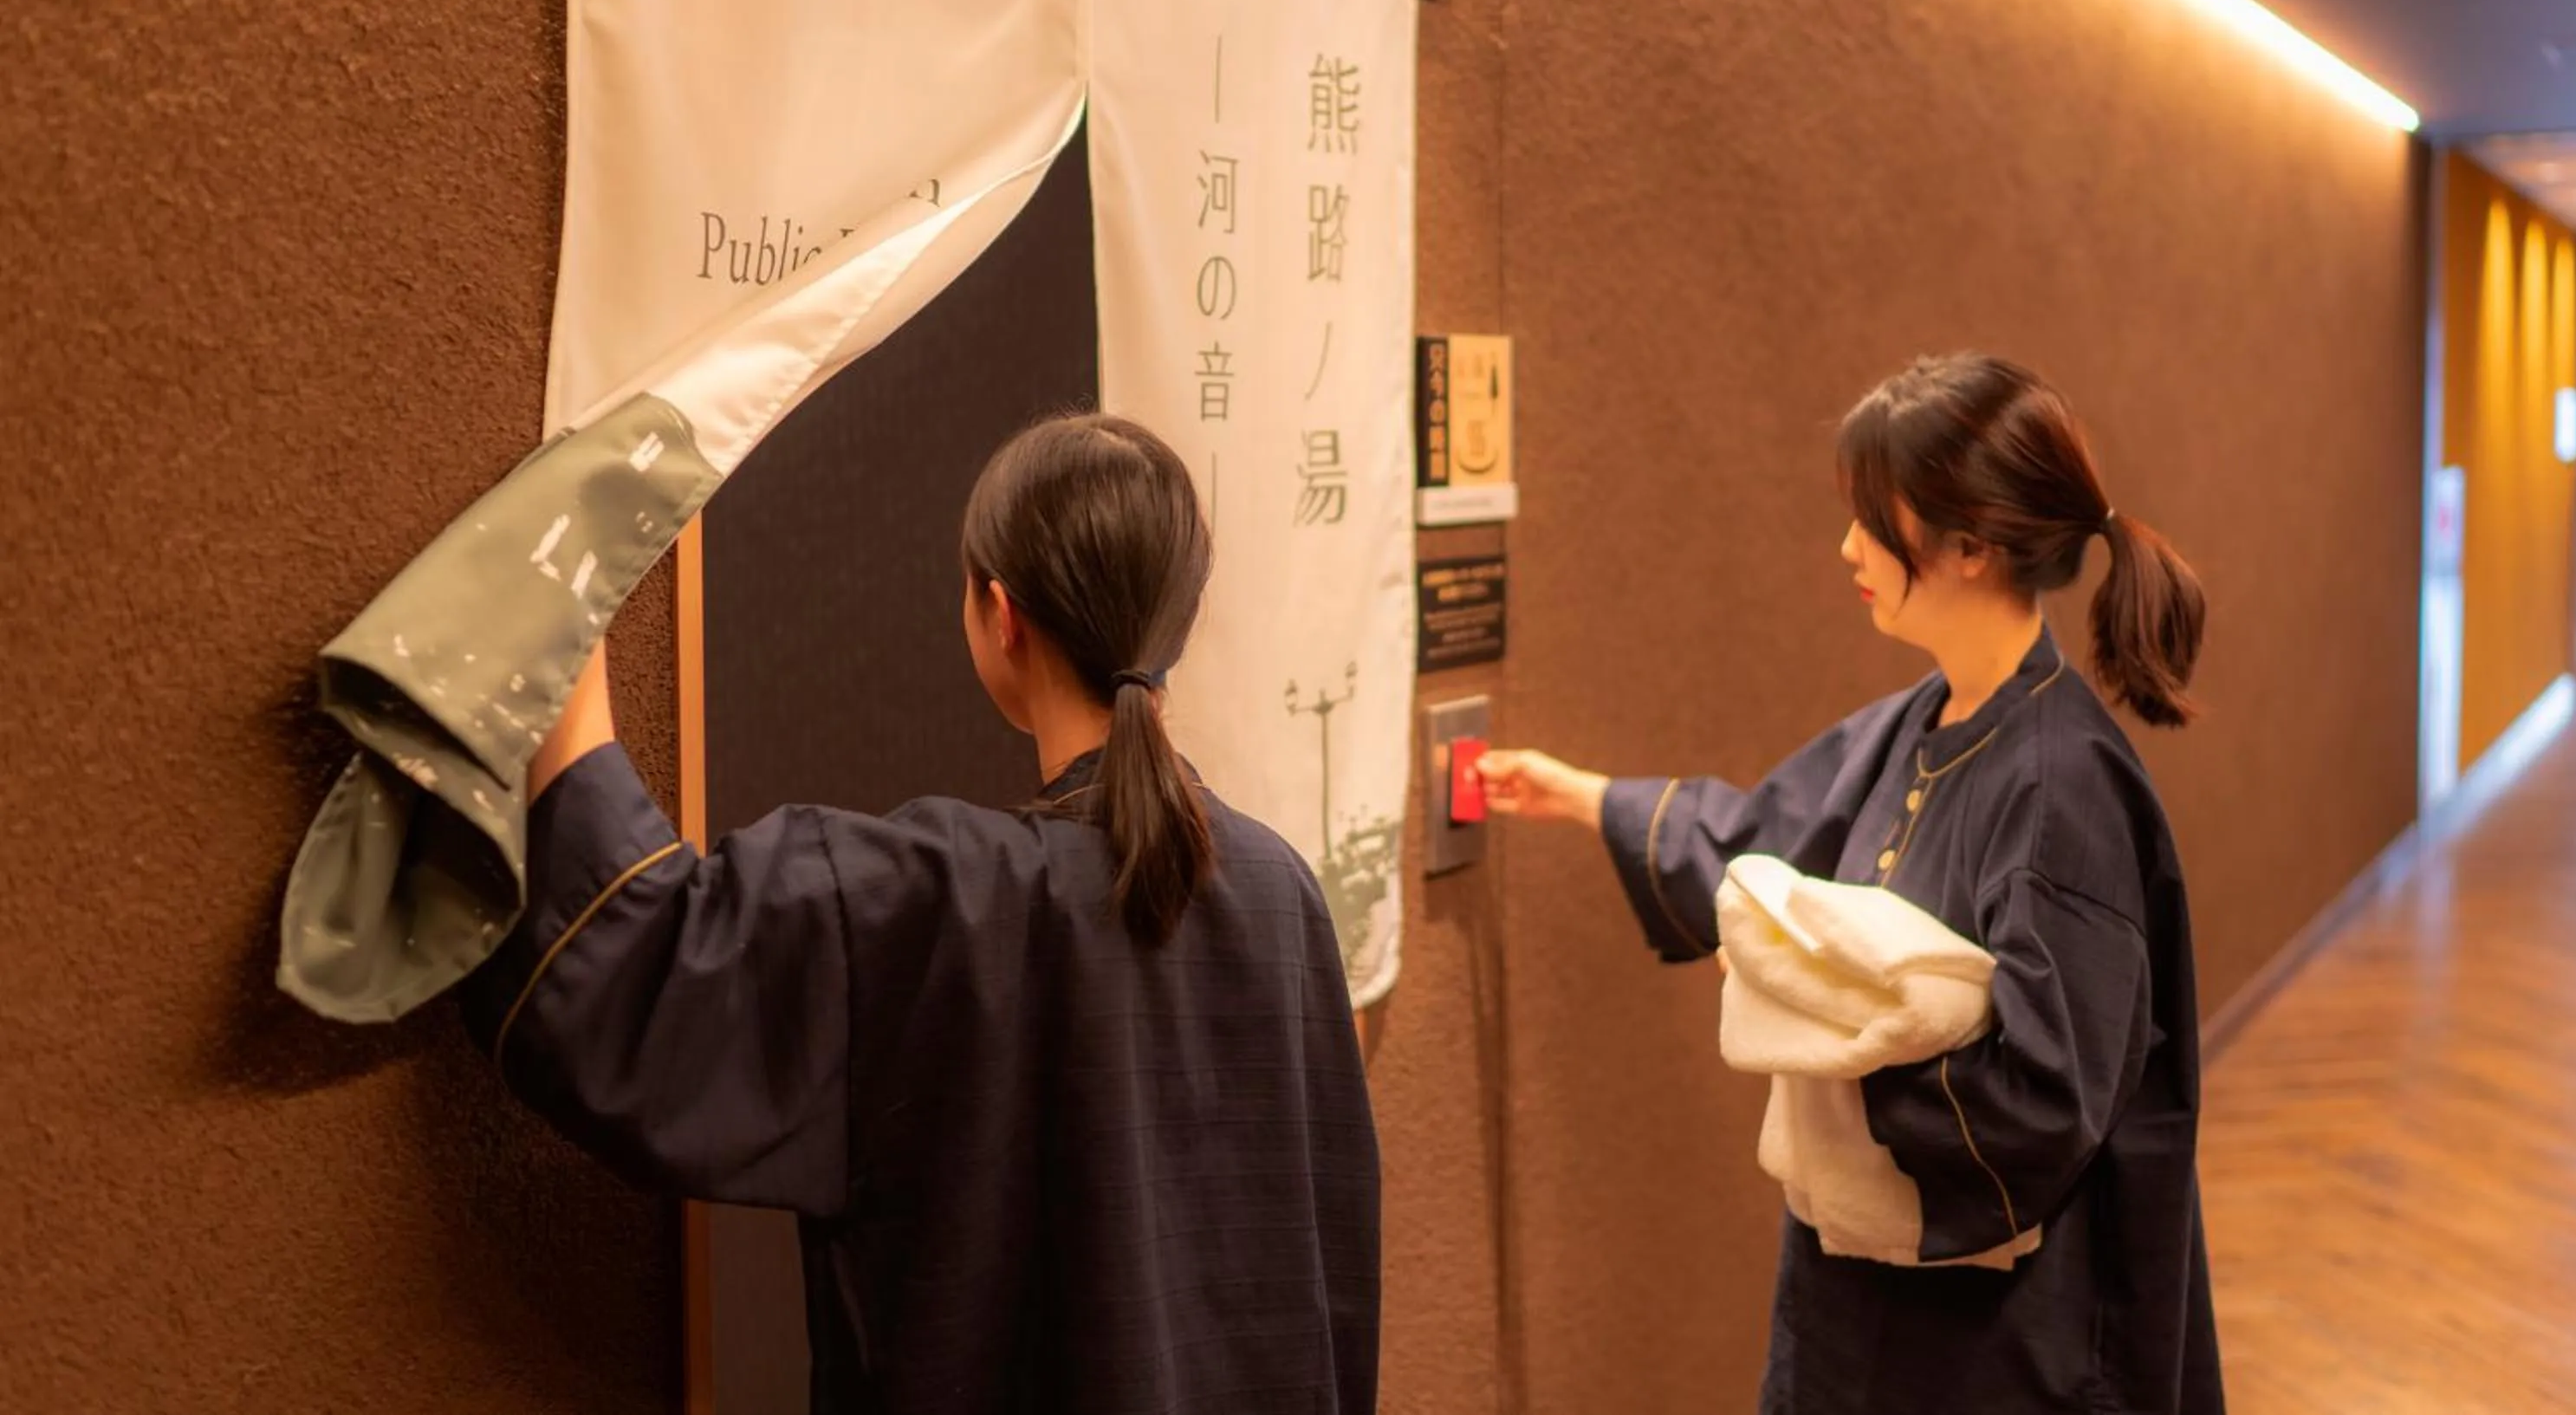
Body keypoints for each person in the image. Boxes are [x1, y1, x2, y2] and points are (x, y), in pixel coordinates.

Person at [457, 413, 1379, 1414]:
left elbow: (631, 963)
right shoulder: (1283, 891)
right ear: (1178, 620)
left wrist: (566, 634)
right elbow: (1333, 1278)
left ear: (1000, 613)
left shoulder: (939, 897)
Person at [1482, 354, 2222, 1414]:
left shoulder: (2064, 783)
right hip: (1866, 1293)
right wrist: (1583, 795)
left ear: (1969, 543)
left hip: (2004, 1338)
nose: (1847, 547)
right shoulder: (1919, 722)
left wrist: (1835, 1057)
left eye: (1873, 519)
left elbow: (2047, 1097)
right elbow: (1764, 845)